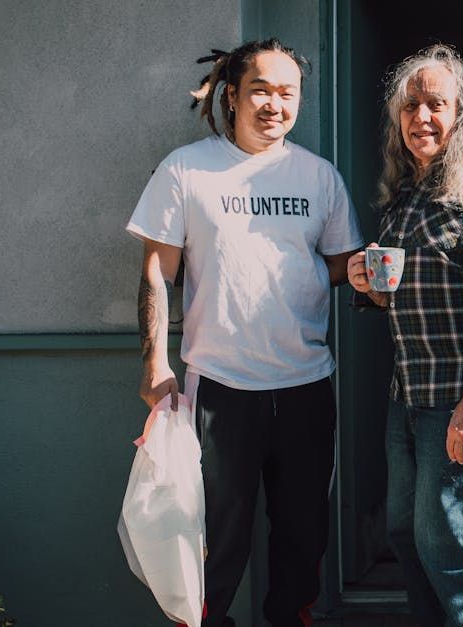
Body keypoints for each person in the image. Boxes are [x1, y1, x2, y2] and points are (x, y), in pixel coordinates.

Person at [126, 38, 363, 627]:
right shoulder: (186, 168)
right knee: (213, 543)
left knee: (302, 539)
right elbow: (158, 271)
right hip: (220, 388)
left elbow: (339, 263)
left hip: (306, 385)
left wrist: (356, 272)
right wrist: (155, 364)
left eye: (288, 93)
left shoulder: (320, 177)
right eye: (261, 90)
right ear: (232, 95)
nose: (274, 105)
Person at [346, 44, 463, 627]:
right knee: (406, 534)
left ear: (461, 115)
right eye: (410, 106)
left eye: (436, 104)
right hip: (407, 393)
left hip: (460, 397)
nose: (421, 118)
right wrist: (367, 286)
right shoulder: (404, 194)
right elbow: (398, 293)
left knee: (452, 546)